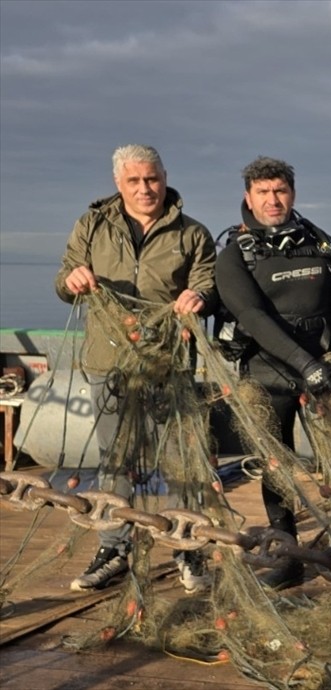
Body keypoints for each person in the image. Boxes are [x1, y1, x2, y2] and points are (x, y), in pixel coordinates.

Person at [56, 144, 217, 593]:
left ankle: (188, 550)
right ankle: (113, 549)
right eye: (135, 181)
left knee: (182, 459)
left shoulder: (192, 233)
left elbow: (207, 282)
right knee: (116, 459)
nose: (146, 188)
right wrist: (71, 280)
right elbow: (64, 280)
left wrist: (199, 296)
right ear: (118, 183)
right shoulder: (92, 225)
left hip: (170, 366)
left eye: (152, 179)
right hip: (108, 363)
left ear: (165, 178)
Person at [215, 156, 331, 588]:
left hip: (326, 368)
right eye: (263, 192)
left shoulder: (318, 241)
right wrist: (305, 365)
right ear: (248, 197)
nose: (273, 199)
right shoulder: (235, 255)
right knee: (276, 466)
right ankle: (287, 556)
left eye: (280, 190)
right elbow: (252, 316)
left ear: (293, 194)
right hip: (269, 371)